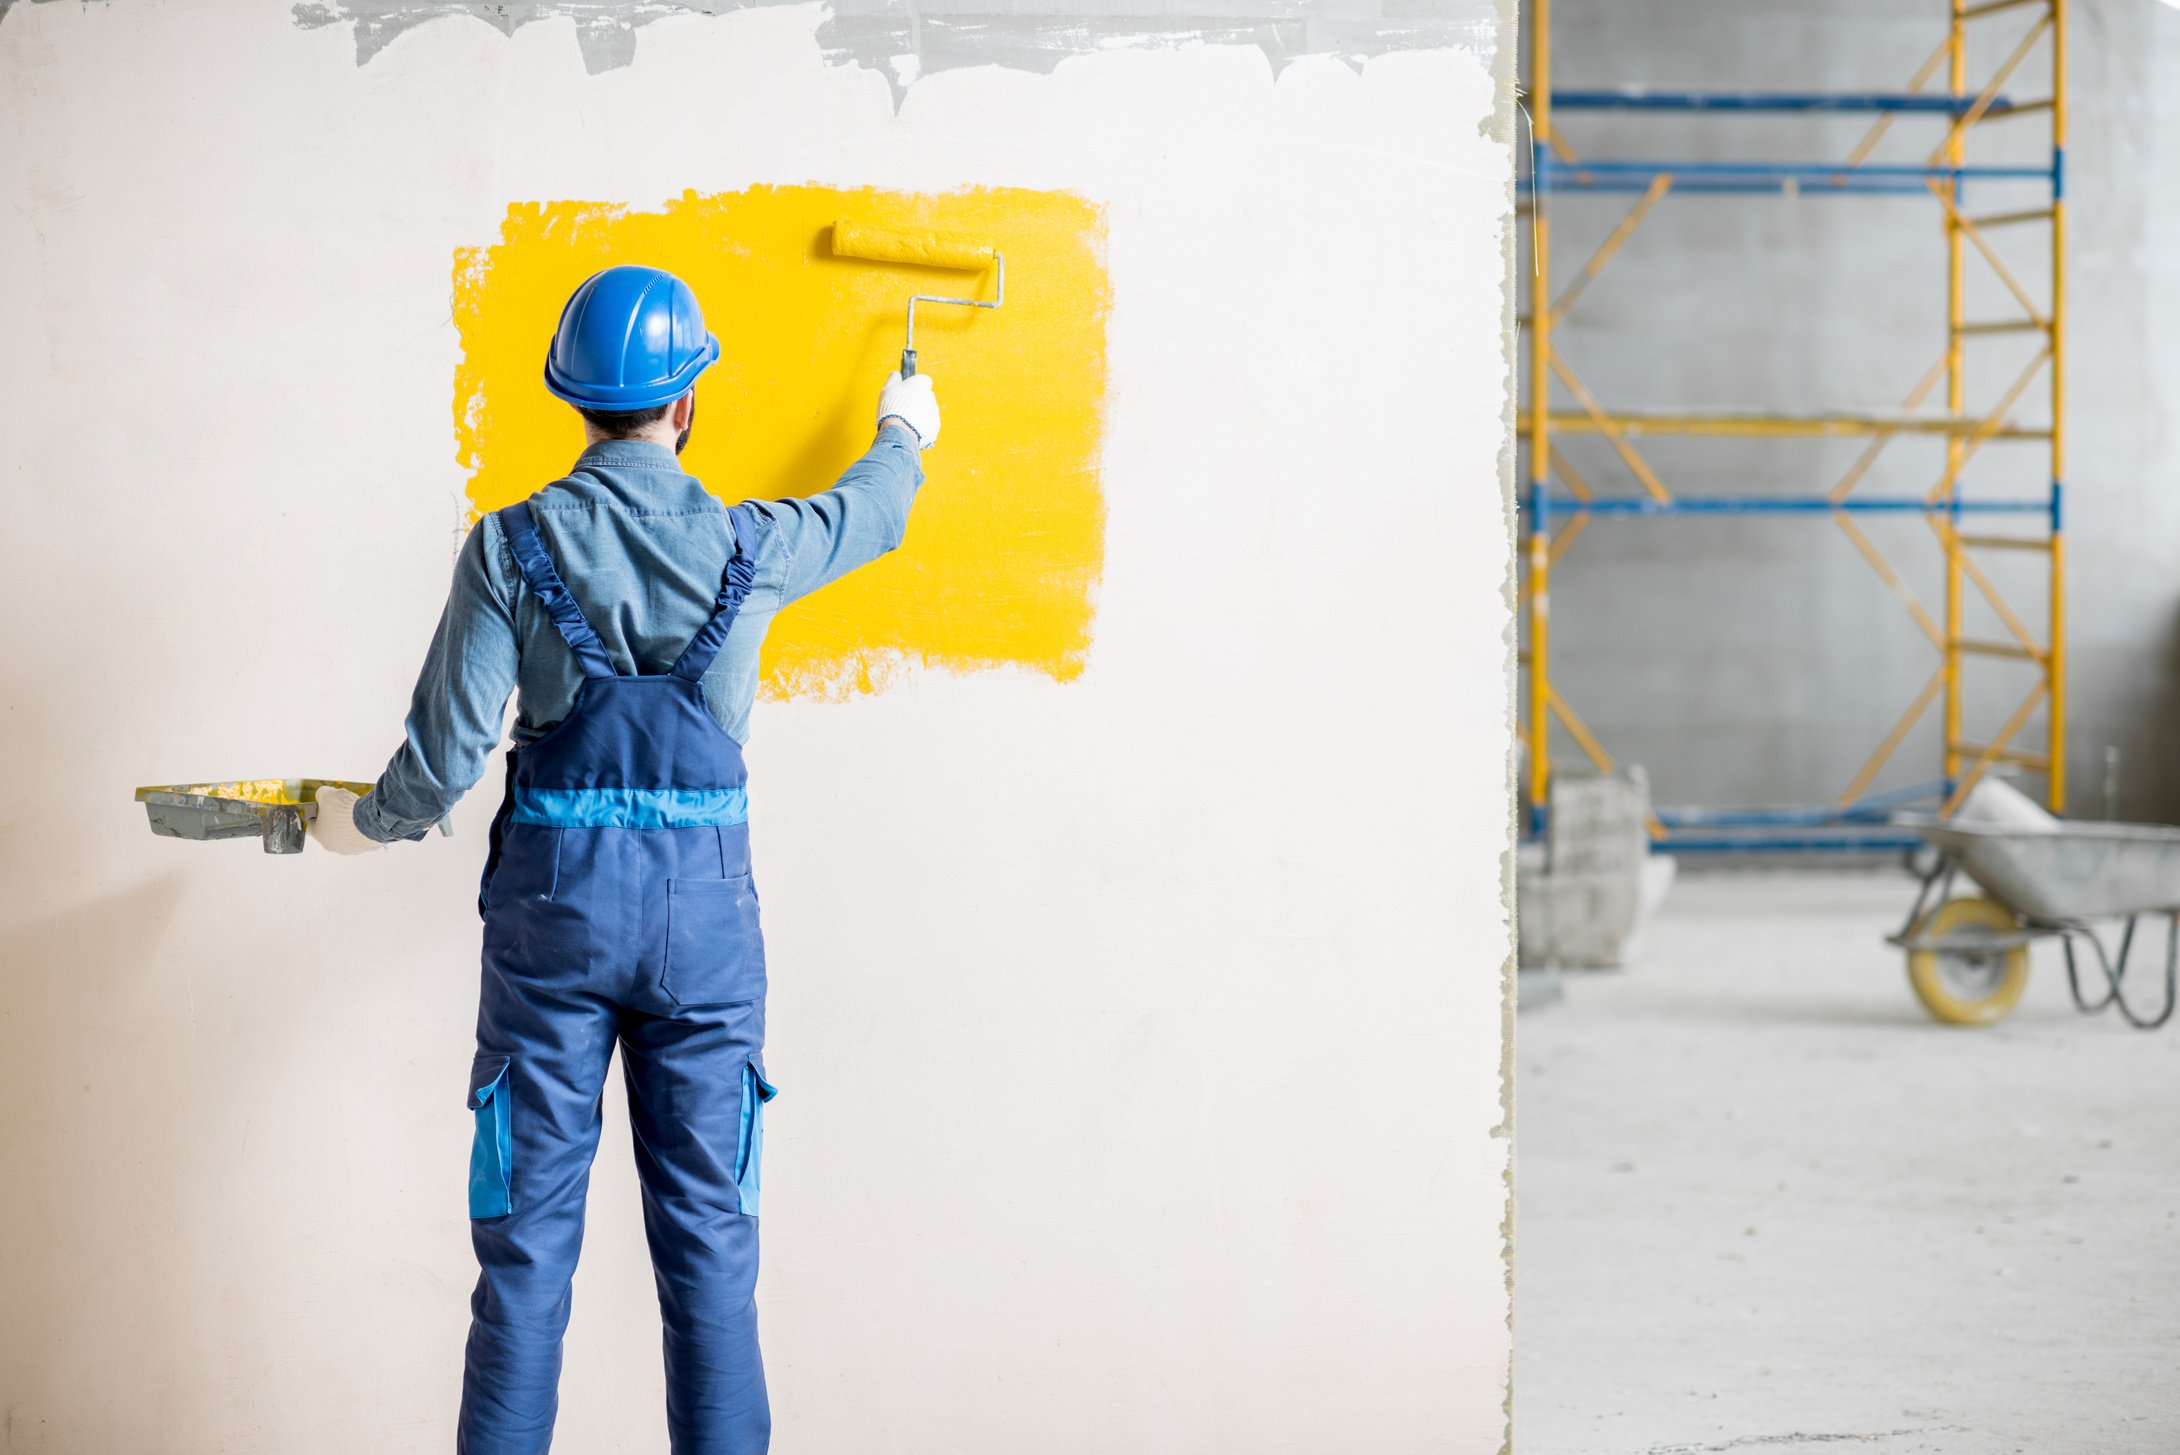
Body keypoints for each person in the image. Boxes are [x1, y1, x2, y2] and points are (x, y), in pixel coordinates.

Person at [308, 263, 940, 1454]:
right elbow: (877, 509)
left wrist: (363, 822)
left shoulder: (508, 547)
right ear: (687, 403)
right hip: (704, 933)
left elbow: (442, 763)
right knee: (710, 1254)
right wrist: (902, 429)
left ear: (574, 399)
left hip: (553, 926)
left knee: (526, 1260)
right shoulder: (757, 545)